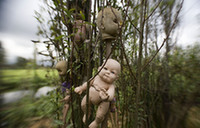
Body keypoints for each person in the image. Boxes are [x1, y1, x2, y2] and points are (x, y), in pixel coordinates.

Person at [75, 59, 121, 128]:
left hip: (103, 101)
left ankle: (96, 122)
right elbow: (88, 84)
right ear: (99, 68)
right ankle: (87, 113)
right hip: (90, 95)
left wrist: (107, 97)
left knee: (100, 115)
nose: (107, 72)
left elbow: (111, 94)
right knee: (83, 104)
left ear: (116, 78)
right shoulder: (96, 77)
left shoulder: (111, 86)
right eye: (105, 68)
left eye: (112, 72)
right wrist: (81, 88)